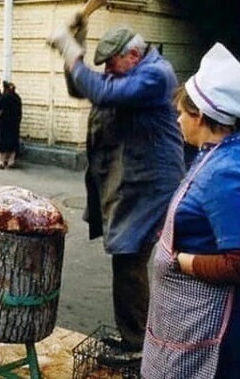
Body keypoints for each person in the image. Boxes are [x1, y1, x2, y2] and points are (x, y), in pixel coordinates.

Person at [48, 24, 185, 363]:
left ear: (133, 55)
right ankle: (135, 335)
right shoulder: (129, 72)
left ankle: (139, 343)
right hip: (128, 180)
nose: (107, 70)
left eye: (111, 62)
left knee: (130, 258)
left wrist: (72, 53)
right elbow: (84, 89)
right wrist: (74, 51)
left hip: (150, 186)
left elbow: (103, 92)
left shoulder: (156, 75)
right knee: (126, 260)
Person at [141, 43, 240, 378]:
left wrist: (180, 261)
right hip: (191, 316)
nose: (178, 119)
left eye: (182, 113)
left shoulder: (227, 171)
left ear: (200, 115)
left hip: (217, 327)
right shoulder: (222, 150)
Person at [0, 80, 22, 169]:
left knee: (2, 144)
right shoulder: (17, 98)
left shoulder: (4, 97)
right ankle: (11, 161)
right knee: (13, 143)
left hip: (3, 124)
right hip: (14, 124)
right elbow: (20, 112)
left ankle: (1, 161)